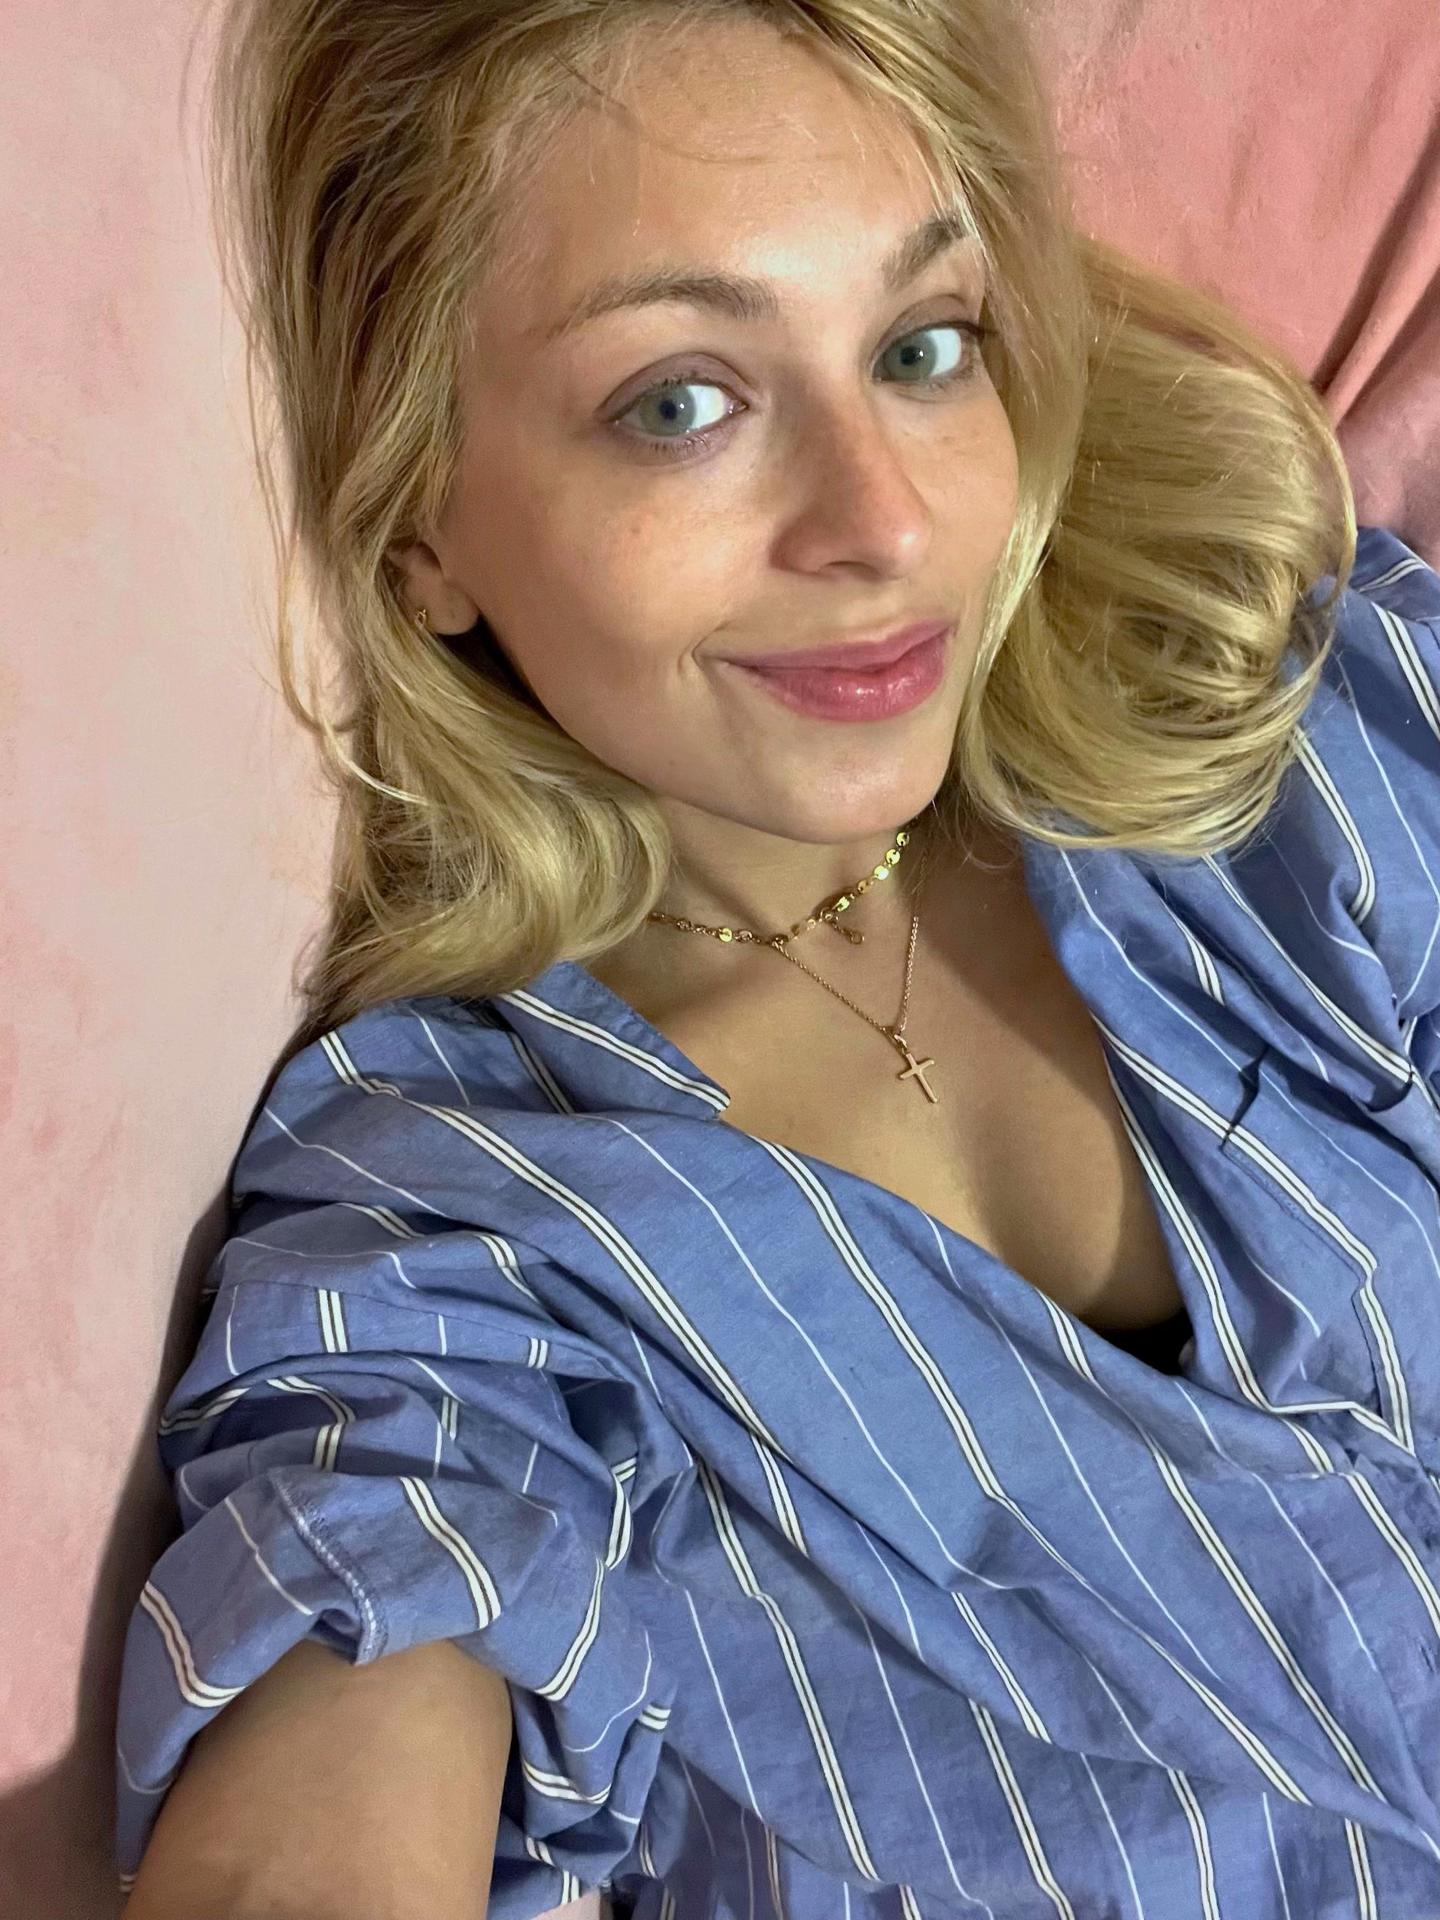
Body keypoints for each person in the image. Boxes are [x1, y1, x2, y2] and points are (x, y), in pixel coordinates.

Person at [117, 0, 1440, 1915]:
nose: (883, 522)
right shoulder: (458, 1222)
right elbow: (357, 1636)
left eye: (923, 348)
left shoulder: (1307, 750)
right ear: (419, 528)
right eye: (682, 402)